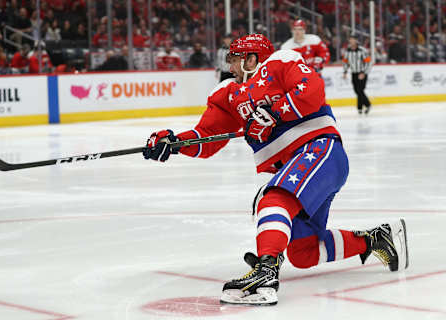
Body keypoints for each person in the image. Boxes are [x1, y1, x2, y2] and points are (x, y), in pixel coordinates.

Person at [142, 34, 409, 305]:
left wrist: (276, 112)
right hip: (299, 168)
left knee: (272, 198)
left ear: (251, 58)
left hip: (319, 151)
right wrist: (173, 142)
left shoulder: (281, 62)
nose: (229, 66)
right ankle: (377, 239)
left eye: (233, 59)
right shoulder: (227, 95)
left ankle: (266, 271)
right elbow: (207, 137)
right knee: (303, 253)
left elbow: (311, 89)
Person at [342, 34, 372, 115]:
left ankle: (364, 106)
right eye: (350, 39)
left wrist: (364, 72)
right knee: (357, 91)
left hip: (362, 73)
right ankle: (363, 107)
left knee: (360, 90)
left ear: (356, 40)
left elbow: (368, 62)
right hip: (354, 73)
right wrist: (345, 72)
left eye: (353, 39)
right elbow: (345, 62)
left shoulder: (362, 50)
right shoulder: (347, 51)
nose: (351, 41)